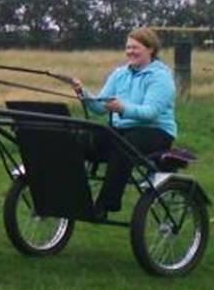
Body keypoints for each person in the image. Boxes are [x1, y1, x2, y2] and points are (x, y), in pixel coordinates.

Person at [72, 27, 177, 219]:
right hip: (122, 130)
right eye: (128, 47)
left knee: (122, 148)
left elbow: (151, 113)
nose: (130, 52)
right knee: (77, 140)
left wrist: (123, 109)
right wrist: (82, 93)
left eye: (135, 48)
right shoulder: (120, 74)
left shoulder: (161, 77)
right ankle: (71, 197)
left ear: (151, 49)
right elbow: (99, 108)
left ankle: (105, 205)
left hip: (156, 132)